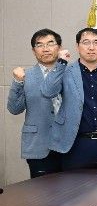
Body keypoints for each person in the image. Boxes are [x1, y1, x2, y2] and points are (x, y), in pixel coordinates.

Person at [41, 28, 97, 169]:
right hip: (74, 144)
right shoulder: (65, 71)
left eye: (96, 42)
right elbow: (47, 92)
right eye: (86, 42)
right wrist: (60, 63)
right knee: (73, 183)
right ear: (77, 46)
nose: (91, 47)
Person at [7, 29, 67, 177]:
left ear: (59, 47)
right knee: (42, 190)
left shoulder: (71, 73)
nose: (45, 49)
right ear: (34, 51)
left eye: (50, 43)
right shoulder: (26, 75)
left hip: (69, 144)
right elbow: (14, 109)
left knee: (73, 190)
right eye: (40, 45)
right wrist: (17, 82)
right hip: (38, 144)